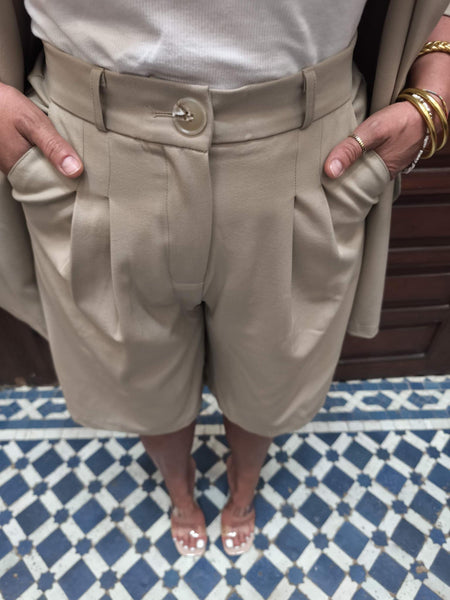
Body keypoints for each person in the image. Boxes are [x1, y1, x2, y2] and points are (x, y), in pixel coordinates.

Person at [0, 0, 449, 557]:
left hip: (308, 157)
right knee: (142, 385)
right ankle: (180, 488)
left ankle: (243, 486)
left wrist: (436, 79)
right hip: (87, 157)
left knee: (270, 382)